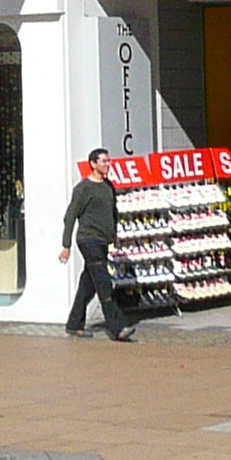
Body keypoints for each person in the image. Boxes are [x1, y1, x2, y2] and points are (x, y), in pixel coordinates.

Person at [56, 147, 134, 342]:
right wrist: (66, 246)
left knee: (88, 285)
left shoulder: (108, 186)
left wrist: (114, 235)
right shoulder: (83, 188)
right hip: (88, 239)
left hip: (102, 240)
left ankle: (74, 324)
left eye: (109, 161)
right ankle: (118, 328)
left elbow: (112, 213)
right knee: (104, 283)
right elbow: (70, 216)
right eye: (104, 161)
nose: (108, 165)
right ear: (93, 164)